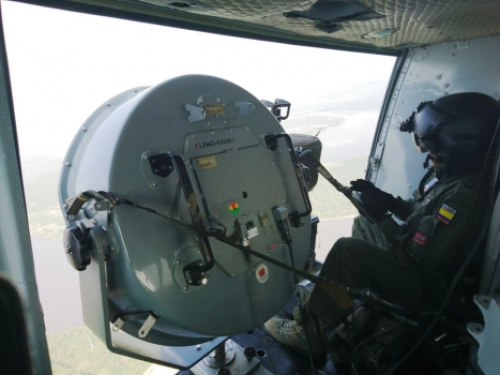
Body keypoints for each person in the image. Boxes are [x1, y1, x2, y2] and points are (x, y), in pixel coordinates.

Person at [264, 92, 500, 359]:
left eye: (434, 148)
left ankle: (307, 333)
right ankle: (361, 295)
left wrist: (383, 217)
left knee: (348, 251)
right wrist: (387, 201)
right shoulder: (454, 177)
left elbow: (419, 255)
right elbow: (420, 215)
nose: (429, 154)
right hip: (420, 268)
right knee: (363, 223)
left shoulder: (464, 198)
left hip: (433, 294)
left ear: (458, 146)